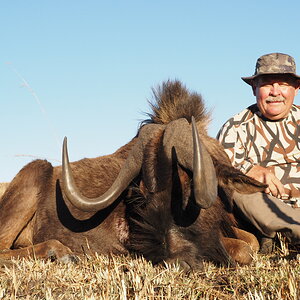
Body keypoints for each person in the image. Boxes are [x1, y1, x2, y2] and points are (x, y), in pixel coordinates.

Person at [217, 53, 300, 252]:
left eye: (283, 84)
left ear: (296, 89)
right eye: (266, 84)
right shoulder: (235, 127)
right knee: (234, 189)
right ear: (254, 88)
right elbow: (218, 173)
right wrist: (247, 170)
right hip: (262, 209)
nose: (275, 92)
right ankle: (288, 234)